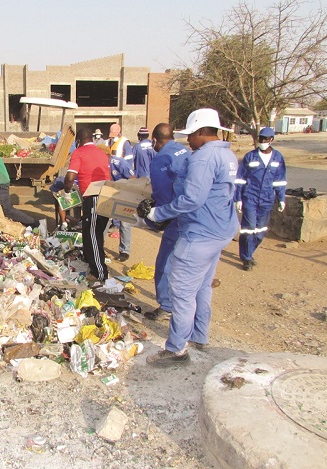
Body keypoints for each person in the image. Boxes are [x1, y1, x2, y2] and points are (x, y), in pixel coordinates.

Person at [140, 108, 239, 366]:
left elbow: (192, 199)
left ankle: (176, 350)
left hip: (200, 232)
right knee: (203, 286)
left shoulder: (203, 159)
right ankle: (199, 336)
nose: (188, 141)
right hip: (221, 229)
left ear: (201, 132)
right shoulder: (227, 154)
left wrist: (158, 213)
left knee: (182, 290)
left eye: (190, 135)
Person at [142, 123, 191, 321]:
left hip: (177, 217)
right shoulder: (184, 151)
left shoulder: (161, 159)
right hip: (194, 215)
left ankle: (168, 305)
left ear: (155, 140)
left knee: (165, 263)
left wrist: (155, 219)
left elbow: (162, 194)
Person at [234, 127, 287, 271]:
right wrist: (238, 198)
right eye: (261, 139)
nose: (262, 142)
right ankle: (246, 257)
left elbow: (280, 180)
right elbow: (240, 179)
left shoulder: (278, 158)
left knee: (261, 231)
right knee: (248, 229)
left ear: (271, 140)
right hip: (250, 197)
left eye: (265, 139)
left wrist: (281, 198)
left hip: (267, 199)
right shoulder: (250, 157)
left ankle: (249, 252)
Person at [63, 128, 111, 282]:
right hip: (105, 195)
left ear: (78, 141)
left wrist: (67, 192)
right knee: (93, 233)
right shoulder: (101, 152)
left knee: (92, 236)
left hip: (93, 196)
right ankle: (94, 266)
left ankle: (99, 273)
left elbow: (70, 177)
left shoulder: (79, 153)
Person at [107, 123, 134, 262]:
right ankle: (98, 247)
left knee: (125, 222)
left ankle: (125, 251)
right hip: (109, 190)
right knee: (104, 219)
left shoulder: (125, 144)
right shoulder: (109, 143)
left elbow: (131, 174)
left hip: (123, 189)